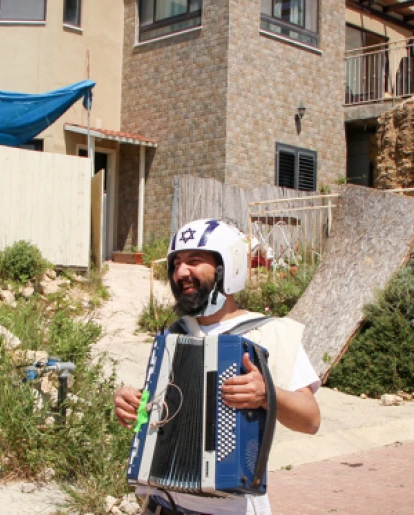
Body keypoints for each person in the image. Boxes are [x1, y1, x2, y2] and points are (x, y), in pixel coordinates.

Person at [113, 219, 321, 515]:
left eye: (195, 261)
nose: (182, 272)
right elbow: (159, 412)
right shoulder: (174, 335)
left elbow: (310, 420)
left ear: (228, 268)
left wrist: (267, 394)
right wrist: (131, 402)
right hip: (160, 506)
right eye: (177, 264)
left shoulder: (270, 333)